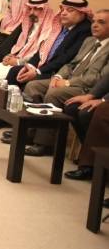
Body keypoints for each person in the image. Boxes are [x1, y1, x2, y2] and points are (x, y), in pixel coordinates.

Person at [22, 9, 109, 156]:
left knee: (54, 94)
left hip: (87, 88)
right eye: (94, 21)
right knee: (33, 86)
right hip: (68, 80)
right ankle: (29, 133)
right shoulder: (89, 41)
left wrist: (68, 83)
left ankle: (44, 143)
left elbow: (100, 78)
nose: (94, 25)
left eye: (101, 22)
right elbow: (71, 64)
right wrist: (58, 76)